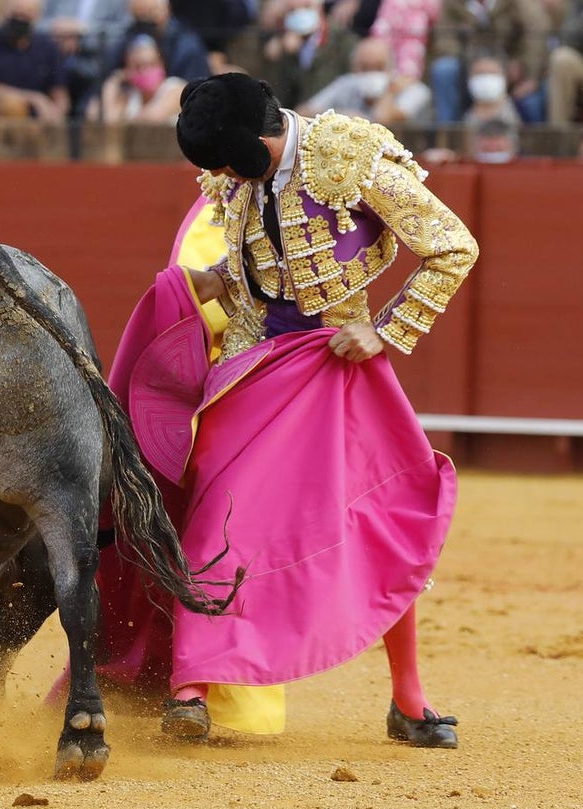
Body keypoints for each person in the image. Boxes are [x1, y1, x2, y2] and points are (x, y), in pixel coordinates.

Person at [88, 73, 478, 747]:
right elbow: (243, 275)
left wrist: (385, 330)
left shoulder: (348, 155)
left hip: (339, 363)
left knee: (380, 521)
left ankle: (409, 699)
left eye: (227, 163)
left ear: (259, 142)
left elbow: (453, 244)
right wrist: (198, 290)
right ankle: (190, 684)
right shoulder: (235, 174)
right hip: (255, 361)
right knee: (219, 512)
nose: (220, 178)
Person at [428, 0, 552, 124]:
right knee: (444, 69)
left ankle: (537, 140)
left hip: (512, 69)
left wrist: (525, 67)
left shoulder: (519, 4)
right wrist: (473, 64)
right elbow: (444, 39)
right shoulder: (453, 4)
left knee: (531, 102)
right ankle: (447, 131)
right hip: (468, 66)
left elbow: (536, 33)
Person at [0, 0, 70, 121]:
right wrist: (35, 99)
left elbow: (60, 93)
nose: (19, 20)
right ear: (4, 11)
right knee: (13, 106)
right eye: (15, 14)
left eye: (25, 15)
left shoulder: (47, 47)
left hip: (37, 120)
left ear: (37, 16)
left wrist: (57, 113)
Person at [299, 35, 434, 125]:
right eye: (365, 68)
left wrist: (390, 92)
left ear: (392, 67)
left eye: (378, 67)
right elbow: (303, 112)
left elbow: (383, 118)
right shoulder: (346, 83)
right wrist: (340, 115)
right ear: (354, 68)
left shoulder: (414, 90)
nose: (371, 73)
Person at [261, 0, 361, 108]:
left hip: (332, 113)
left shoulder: (342, 39)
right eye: (293, 10)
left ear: (319, 7)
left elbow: (350, 85)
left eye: (306, 7)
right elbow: (282, 94)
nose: (300, 13)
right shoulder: (282, 45)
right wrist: (287, 55)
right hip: (299, 116)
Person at [39, 0, 131, 115]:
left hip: (96, 60)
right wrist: (58, 28)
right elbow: (37, 23)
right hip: (56, 57)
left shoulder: (116, 3)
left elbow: (122, 29)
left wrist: (83, 31)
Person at [86, 34, 186, 122]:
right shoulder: (130, 96)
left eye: (151, 64)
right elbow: (110, 121)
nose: (145, 71)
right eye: (138, 66)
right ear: (128, 69)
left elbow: (152, 119)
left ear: (162, 64)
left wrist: (125, 120)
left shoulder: (176, 88)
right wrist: (114, 81)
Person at [107, 0, 213, 82]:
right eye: (139, 17)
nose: (145, 23)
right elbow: (111, 68)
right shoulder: (131, 36)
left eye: (149, 14)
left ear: (166, 10)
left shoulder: (186, 46)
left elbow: (192, 91)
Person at [463, 52, 522, 126]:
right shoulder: (463, 119)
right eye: (479, 73)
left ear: (506, 78)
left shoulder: (522, 114)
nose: (485, 79)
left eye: (492, 73)